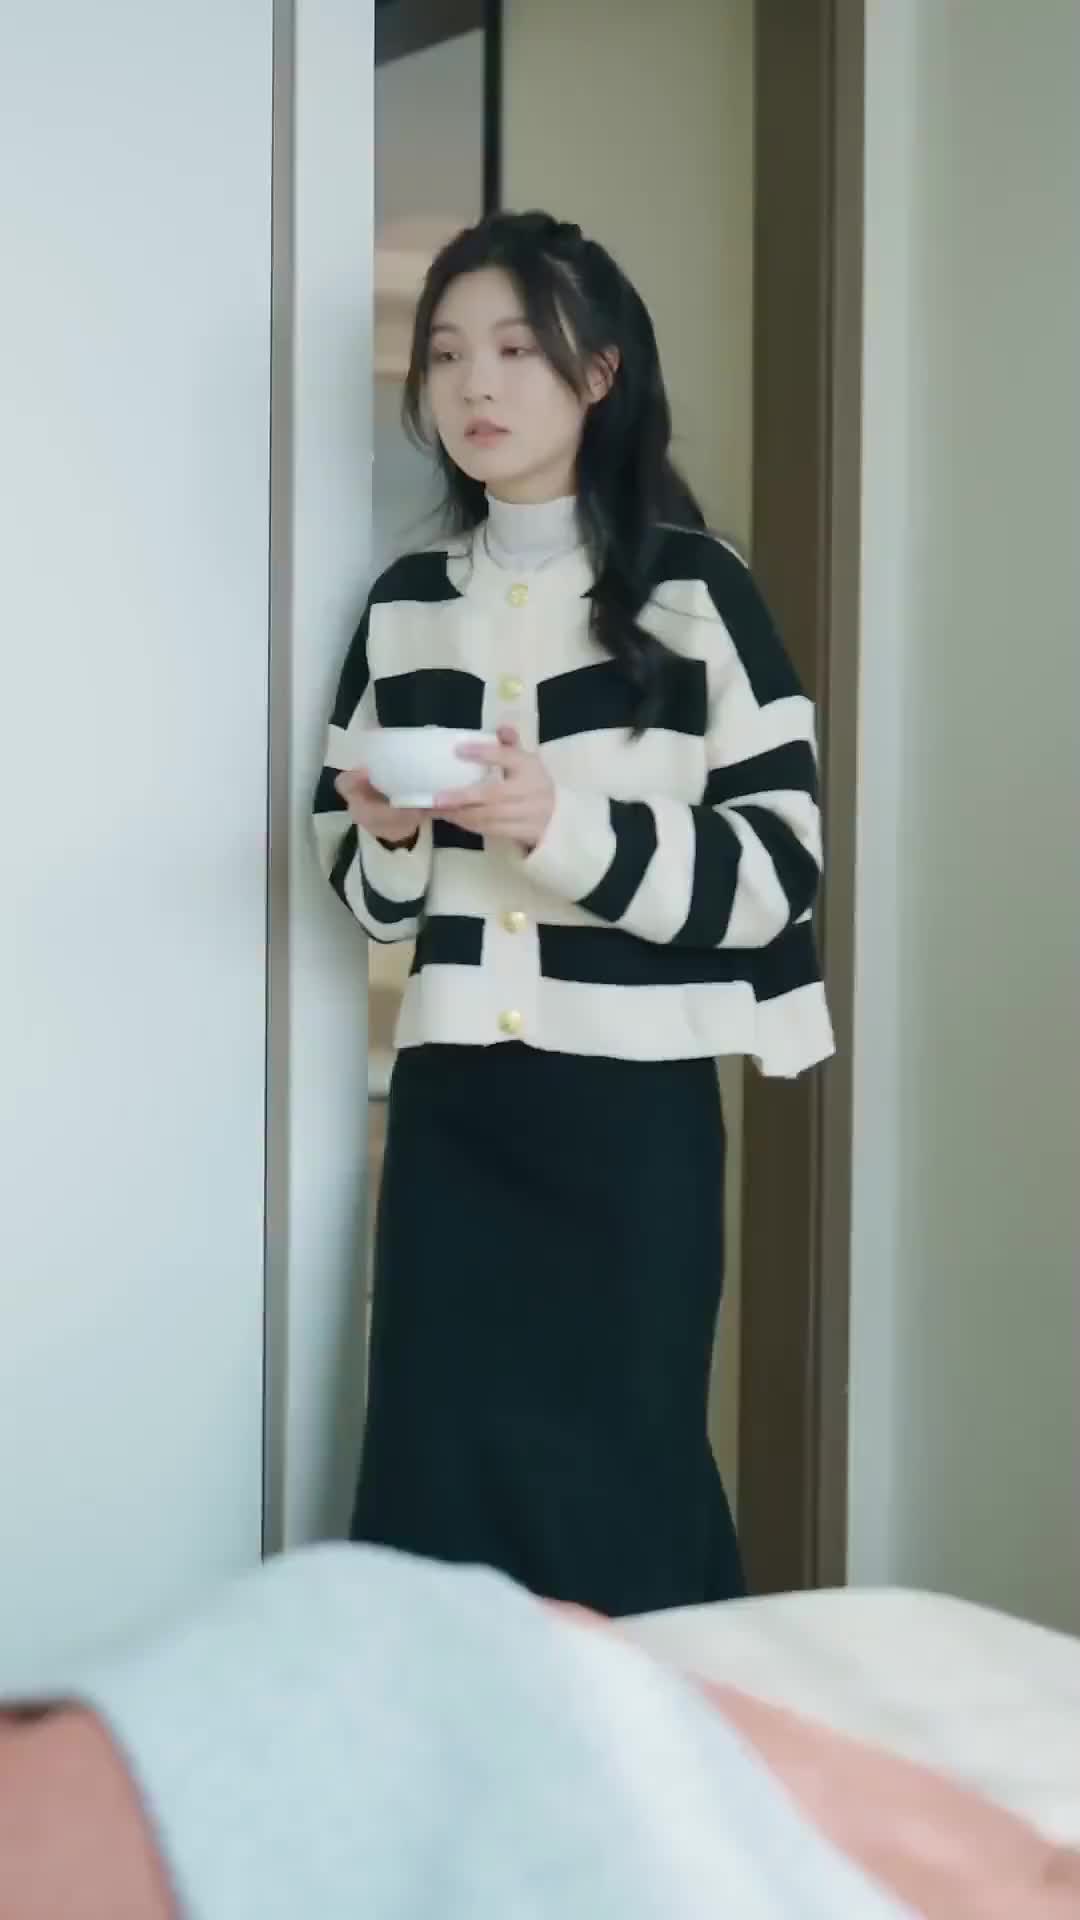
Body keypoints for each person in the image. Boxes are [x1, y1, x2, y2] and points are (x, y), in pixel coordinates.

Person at [313, 210, 833, 1618]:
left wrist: (562, 827)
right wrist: (390, 834)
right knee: (435, 1486)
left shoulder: (699, 590)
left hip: (631, 1119)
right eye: (445, 355)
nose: (474, 385)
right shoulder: (405, 607)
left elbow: (778, 870)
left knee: (621, 1485)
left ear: (599, 374)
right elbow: (364, 890)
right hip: (454, 1111)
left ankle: (652, 1744)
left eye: (515, 350)